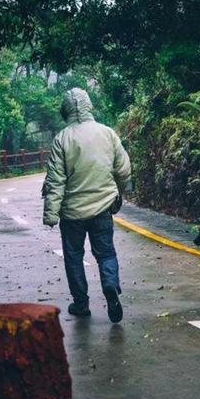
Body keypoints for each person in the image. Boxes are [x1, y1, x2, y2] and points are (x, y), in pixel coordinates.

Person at [42, 87, 131, 323]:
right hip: (102, 208)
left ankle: (81, 304)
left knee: (73, 257)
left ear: (66, 110)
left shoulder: (62, 138)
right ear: (89, 105)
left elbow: (55, 180)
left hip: (72, 214)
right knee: (106, 253)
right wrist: (120, 192)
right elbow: (123, 169)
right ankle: (110, 286)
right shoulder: (107, 133)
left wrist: (51, 214)